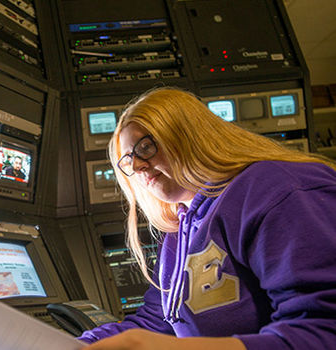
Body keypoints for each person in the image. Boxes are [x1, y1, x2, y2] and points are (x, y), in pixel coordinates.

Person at [79, 87, 336, 350]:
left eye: (145, 147)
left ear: (189, 135)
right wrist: (77, 344)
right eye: (128, 160)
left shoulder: (274, 188)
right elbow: (157, 322)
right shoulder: (177, 232)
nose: (137, 166)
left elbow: (322, 331)